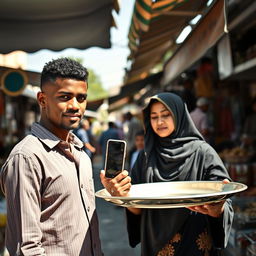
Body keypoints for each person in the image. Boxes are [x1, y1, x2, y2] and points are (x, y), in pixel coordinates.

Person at [100, 92, 234, 256]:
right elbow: (136, 208)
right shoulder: (146, 156)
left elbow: (223, 202)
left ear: (179, 115)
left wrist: (217, 209)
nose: (160, 122)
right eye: (154, 117)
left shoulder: (203, 152)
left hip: (195, 239)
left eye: (166, 115)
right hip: (156, 243)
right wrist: (122, 196)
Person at [0, 58, 103, 256]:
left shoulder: (80, 153)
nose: (75, 106)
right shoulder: (26, 158)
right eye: (65, 97)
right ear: (42, 100)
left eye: (81, 98)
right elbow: (27, 248)